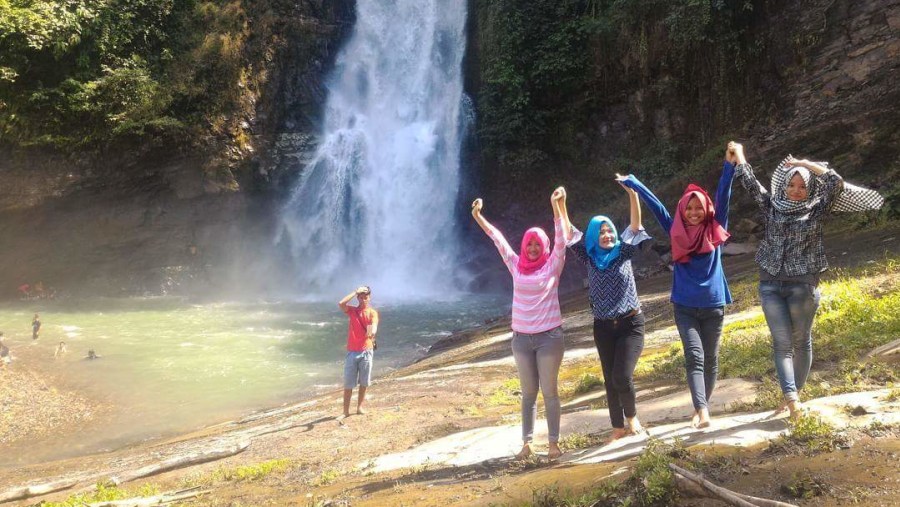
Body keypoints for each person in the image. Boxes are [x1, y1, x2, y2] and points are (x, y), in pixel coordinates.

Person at [734, 150, 883, 417]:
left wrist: (804, 164)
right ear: (783, 185)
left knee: (801, 341)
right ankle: (791, 399)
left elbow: (834, 182)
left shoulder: (816, 209)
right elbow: (750, 183)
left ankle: (795, 394)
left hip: (802, 287)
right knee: (781, 343)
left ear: (810, 188)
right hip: (770, 284)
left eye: (802, 186)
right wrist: (740, 156)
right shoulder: (771, 206)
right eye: (791, 184)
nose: (796, 190)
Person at [620, 141, 740, 429]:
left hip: (714, 304)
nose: (695, 212)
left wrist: (729, 165)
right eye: (690, 208)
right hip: (685, 306)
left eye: (699, 207)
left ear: (706, 209)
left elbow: (723, 195)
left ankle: (701, 409)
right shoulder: (676, 230)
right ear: (683, 211)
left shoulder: (716, 226)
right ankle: (703, 410)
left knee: (711, 360)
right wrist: (634, 184)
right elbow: (658, 207)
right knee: (695, 357)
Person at [471, 187, 581, 460]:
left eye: (537, 244)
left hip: (549, 338)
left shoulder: (553, 265)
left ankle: (553, 444)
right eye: (529, 243)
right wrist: (477, 216)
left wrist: (557, 205)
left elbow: (560, 239)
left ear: (543, 247)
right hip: (521, 339)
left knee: (550, 391)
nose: (532, 248)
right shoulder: (515, 265)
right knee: (528, 393)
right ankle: (527, 444)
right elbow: (497, 239)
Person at [567, 177, 651, 442]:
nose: (607, 235)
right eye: (601, 232)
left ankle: (633, 419)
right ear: (594, 236)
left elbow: (635, 226)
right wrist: (559, 203)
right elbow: (568, 233)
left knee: (621, 376)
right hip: (603, 326)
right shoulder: (589, 256)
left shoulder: (622, 252)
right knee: (609, 378)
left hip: (631, 324)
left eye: (610, 230)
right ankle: (617, 427)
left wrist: (632, 193)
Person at [338, 285, 379, 419]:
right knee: (348, 383)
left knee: (364, 381)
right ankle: (345, 411)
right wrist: (355, 291)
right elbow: (341, 303)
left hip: (366, 351)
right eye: (360, 298)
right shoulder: (353, 311)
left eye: (365, 297)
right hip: (352, 351)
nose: (363, 300)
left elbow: (373, 326)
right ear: (357, 298)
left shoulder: (372, 312)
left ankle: (359, 407)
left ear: (369, 298)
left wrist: (372, 332)